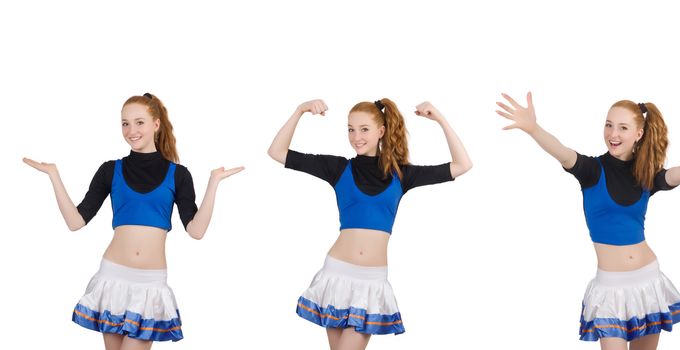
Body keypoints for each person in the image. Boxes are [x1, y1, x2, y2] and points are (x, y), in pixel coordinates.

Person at [496, 92, 680, 350]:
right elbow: (562, 153)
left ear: (638, 134)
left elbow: (676, 174)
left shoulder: (645, 174)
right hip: (610, 287)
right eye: (608, 125)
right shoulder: (592, 170)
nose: (613, 134)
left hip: (648, 281)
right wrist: (533, 128)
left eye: (622, 127)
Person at [23, 93, 243, 350]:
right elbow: (76, 221)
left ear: (156, 124)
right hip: (112, 277)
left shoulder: (179, 175)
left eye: (139, 122)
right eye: (125, 123)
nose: (131, 130)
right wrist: (54, 175)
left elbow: (196, 230)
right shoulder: (110, 169)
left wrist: (213, 183)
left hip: (150, 284)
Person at [268, 98, 472, 350]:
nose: (356, 137)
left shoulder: (402, 174)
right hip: (336, 276)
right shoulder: (338, 167)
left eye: (364, 129)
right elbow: (277, 152)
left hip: (371, 283)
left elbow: (463, 165)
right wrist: (299, 110)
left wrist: (440, 119)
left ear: (381, 131)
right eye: (351, 129)